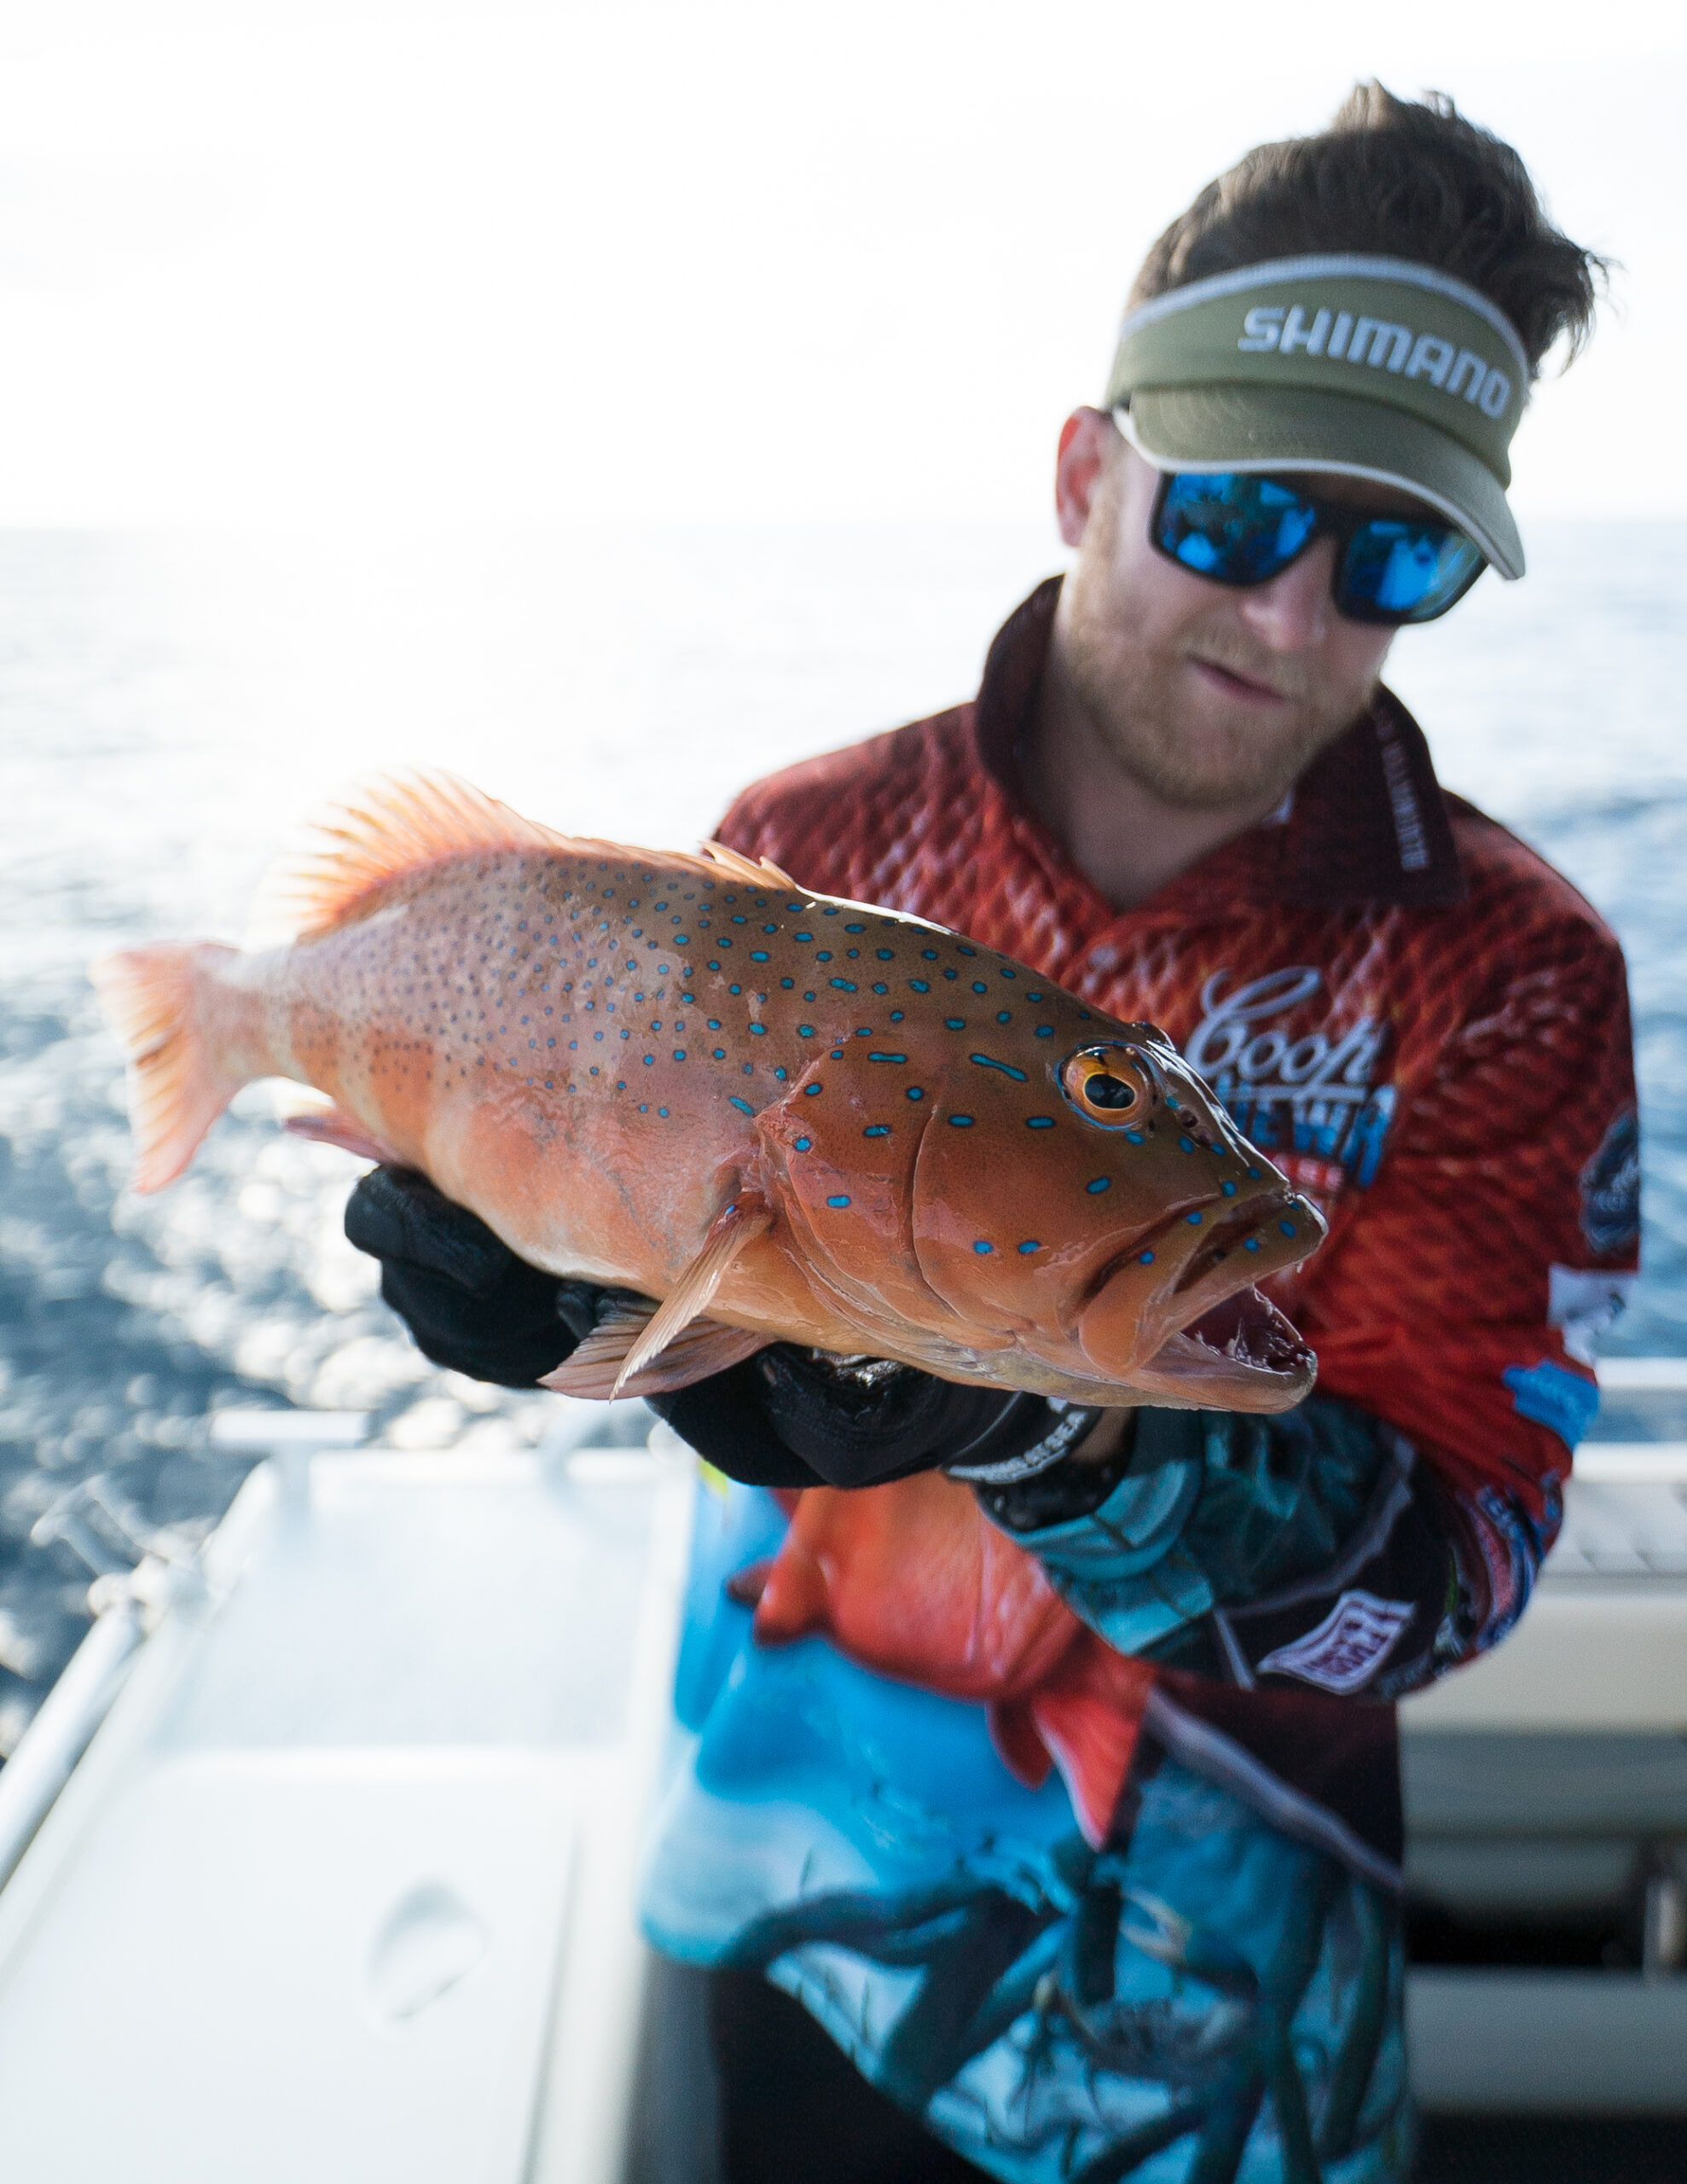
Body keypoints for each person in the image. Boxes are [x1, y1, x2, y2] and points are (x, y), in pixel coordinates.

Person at [345, 84, 1638, 2184]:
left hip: (1220, 2063)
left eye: (1387, 552)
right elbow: (693, 1329)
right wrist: (534, 1267)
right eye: (1226, 518)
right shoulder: (800, 849)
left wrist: (1067, 1431)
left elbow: (1451, 1569)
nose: (1291, 615)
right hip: (793, 1909)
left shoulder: (1510, 972)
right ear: (1083, 470)